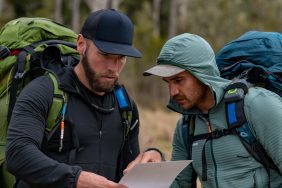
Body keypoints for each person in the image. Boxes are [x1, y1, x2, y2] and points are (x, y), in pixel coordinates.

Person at [5, 9, 163, 188]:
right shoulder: (44, 91)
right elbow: (17, 154)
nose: (113, 67)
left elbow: (128, 174)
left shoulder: (125, 107)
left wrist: (152, 156)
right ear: (81, 45)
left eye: (121, 58)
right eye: (105, 55)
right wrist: (75, 179)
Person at [142, 33, 282, 187]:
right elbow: (180, 184)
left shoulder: (256, 105)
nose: (172, 92)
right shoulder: (186, 127)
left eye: (178, 80)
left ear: (201, 74)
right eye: (168, 82)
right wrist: (150, 172)